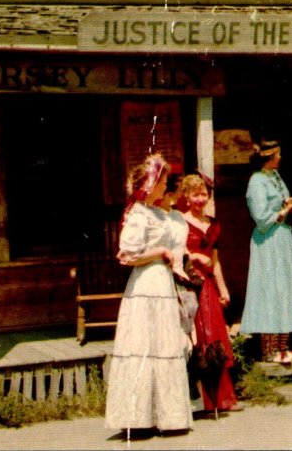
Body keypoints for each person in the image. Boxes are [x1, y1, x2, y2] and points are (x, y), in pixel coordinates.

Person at [105, 154, 192, 434]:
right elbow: (127, 255)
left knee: (163, 345)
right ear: (151, 184)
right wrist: (160, 252)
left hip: (162, 282)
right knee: (143, 345)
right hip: (145, 284)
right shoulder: (139, 214)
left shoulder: (157, 213)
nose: (166, 186)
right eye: (163, 181)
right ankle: (136, 418)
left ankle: (167, 416)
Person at [239, 139, 292, 364]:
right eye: (277, 154)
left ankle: (282, 345)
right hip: (268, 239)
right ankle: (268, 350)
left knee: (285, 289)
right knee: (270, 290)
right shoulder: (256, 181)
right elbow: (261, 218)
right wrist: (284, 211)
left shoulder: (275, 176)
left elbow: (278, 204)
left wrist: (285, 205)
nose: (281, 157)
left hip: (282, 237)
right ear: (269, 157)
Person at [180, 174, 242, 412]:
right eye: (195, 194)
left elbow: (215, 261)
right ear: (186, 196)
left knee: (214, 337)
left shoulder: (213, 224)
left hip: (207, 286)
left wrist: (223, 288)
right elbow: (180, 255)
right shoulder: (181, 222)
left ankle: (222, 398)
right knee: (197, 339)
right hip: (189, 283)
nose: (200, 199)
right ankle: (201, 400)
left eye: (204, 194)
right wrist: (193, 258)